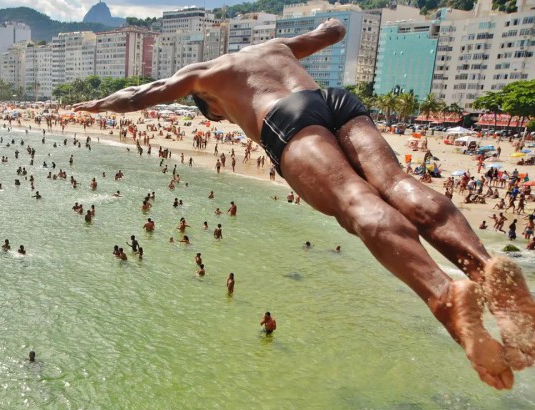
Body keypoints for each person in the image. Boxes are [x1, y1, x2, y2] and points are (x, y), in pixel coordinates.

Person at [74, 17, 535, 389]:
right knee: (395, 182)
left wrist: (95, 106)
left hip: (287, 118)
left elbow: (138, 96)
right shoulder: (276, 46)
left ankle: (443, 294)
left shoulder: (202, 78)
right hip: (333, 98)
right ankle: (485, 268)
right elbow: (332, 31)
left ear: (210, 106)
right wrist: (333, 25)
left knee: (355, 202)